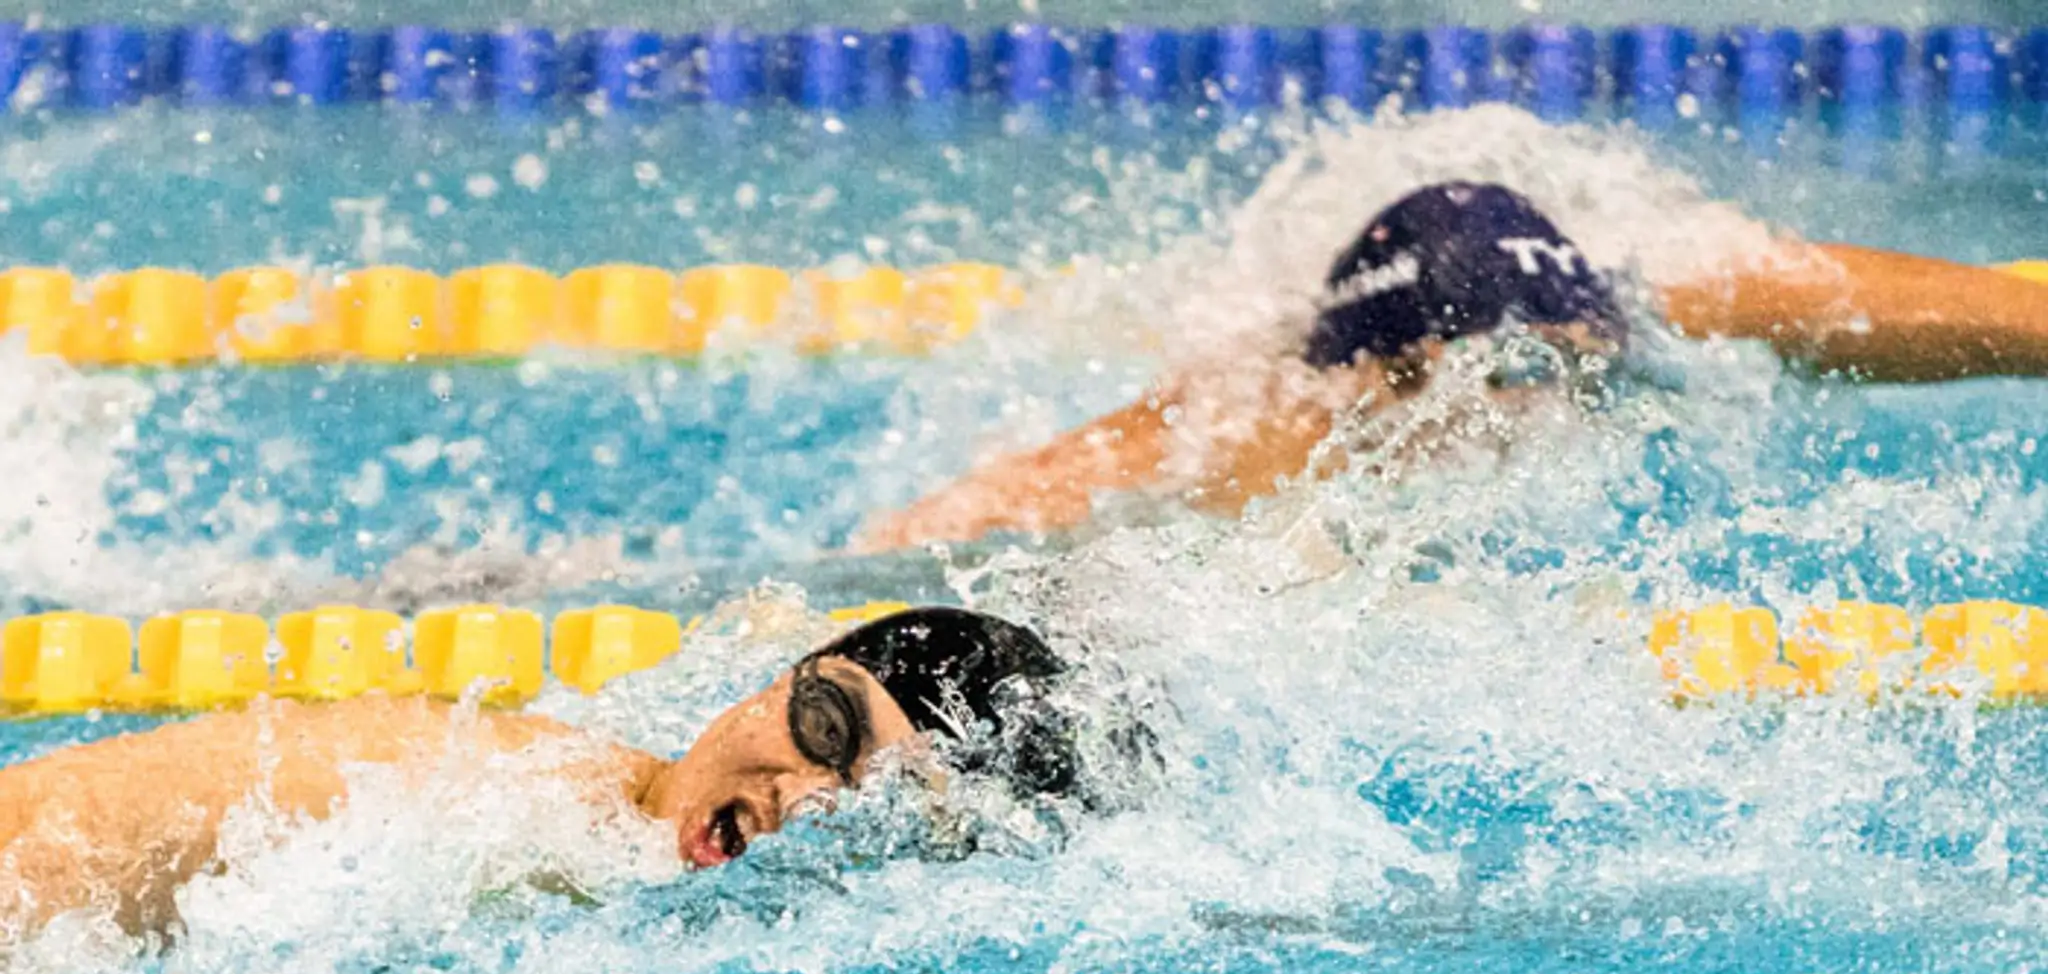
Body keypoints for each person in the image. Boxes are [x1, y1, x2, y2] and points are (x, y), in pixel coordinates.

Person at [859, 180, 2048, 551]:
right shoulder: (1258, 428)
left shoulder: (1640, 311)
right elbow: (954, 525)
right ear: (1386, 379)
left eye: (1573, 371)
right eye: (1508, 378)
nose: (1546, 410)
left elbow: (1911, 309)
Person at [0, 606, 1084, 937]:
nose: (803, 795)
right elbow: (61, 825)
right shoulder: (479, 791)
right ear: (778, 676)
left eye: (879, 801)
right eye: (824, 725)